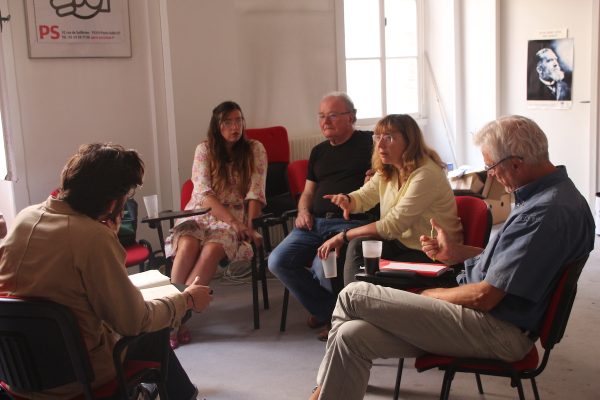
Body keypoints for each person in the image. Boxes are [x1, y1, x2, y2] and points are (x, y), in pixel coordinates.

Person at [309, 115, 595, 400]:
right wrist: (458, 253)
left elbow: (485, 297)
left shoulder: (542, 213)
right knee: (351, 336)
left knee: (354, 295)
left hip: (497, 328)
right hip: (491, 318)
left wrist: (430, 294)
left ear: (517, 163)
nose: (491, 175)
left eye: (491, 167)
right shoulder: (554, 196)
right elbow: (518, 263)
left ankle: (318, 392)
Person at [0, 143, 210, 400]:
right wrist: (186, 300)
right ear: (113, 202)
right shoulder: (92, 238)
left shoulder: (25, 217)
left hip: (17, 376)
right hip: (75, 380)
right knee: (155, 326)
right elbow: (133, 322)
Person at [268, 92, 374, 341]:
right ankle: (328, 310)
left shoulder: (370, 144)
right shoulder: (318, 151)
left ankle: (334, 318)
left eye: (333, 116)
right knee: (277, 261)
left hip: (349, 222)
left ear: (351, 117)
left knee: (324, 265)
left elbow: (385, 179)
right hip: (314, 222)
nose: (325, 122)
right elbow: (307, 193)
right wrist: (302, 211)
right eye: (321, 116)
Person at [316, 114, 462, 287]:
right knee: (357, 246)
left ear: (410, 142)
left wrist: (343, 236)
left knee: (355, 247)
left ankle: (357, 306)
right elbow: (364, 196)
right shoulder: (390, 168)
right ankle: (356, 304)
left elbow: (393, 225)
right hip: (401, 244)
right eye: (377, 137)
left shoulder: (426, 174)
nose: (380, 144)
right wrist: (349, 200)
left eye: (389, 138)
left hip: (433, 252)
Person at [166, 100, 267, 349]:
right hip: (201, 211)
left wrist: (249, 225)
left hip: (234, 216)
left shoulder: (255, 149)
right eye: (228, 122)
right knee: (188, 244)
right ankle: (172, 316)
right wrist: (234, 222)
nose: (235, 127)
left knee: (211, 249)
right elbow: (204, 194)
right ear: (217, 125)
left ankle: (175, 319)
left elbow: (256, 192)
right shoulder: (205, 149)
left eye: (238, 120)